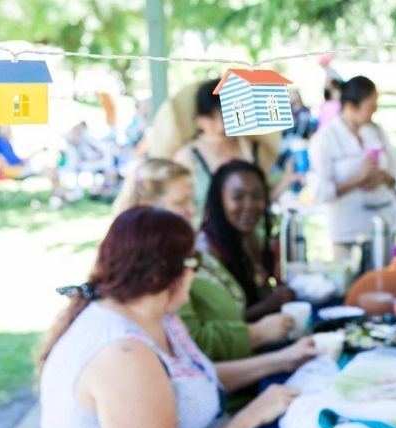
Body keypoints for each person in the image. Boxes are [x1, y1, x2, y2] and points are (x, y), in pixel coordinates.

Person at [39, 206, 318, 428]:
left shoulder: (156, 314)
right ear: (163, 273)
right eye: (193, 261)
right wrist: (250, 417)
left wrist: (282, 360)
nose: (196, 273)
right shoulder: (122, 357)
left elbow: (194, 379)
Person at [112, 159, 294, 363]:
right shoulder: (155, 267)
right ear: (147, 208)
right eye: (180, 202)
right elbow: (190, 343)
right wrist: (258, 334)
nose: (191, 209)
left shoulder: (188, 252)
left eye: (192, 200)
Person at [310, 76, 396, 259]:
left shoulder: (375, 131)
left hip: (383, 226)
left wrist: (383, 177)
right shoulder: (326, 139)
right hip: (347, 233)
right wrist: (358, 178)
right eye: (371, 106)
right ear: (350, 106)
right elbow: (320, 192)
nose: (375, 111)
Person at [199, 160, 295, 323]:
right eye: (238, 197)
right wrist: (269, 304)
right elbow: (219, 325)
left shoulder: (251, 236)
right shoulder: (207, 249)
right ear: (219, 200)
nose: (249, 205)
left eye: (257, 196)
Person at [173, 79, 283, 220]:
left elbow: (264, 196)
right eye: (211, 118)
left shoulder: (253, 149)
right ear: (198, 119)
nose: (221, 126)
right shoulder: (187, 156)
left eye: (226, 116)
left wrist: (286, 181)